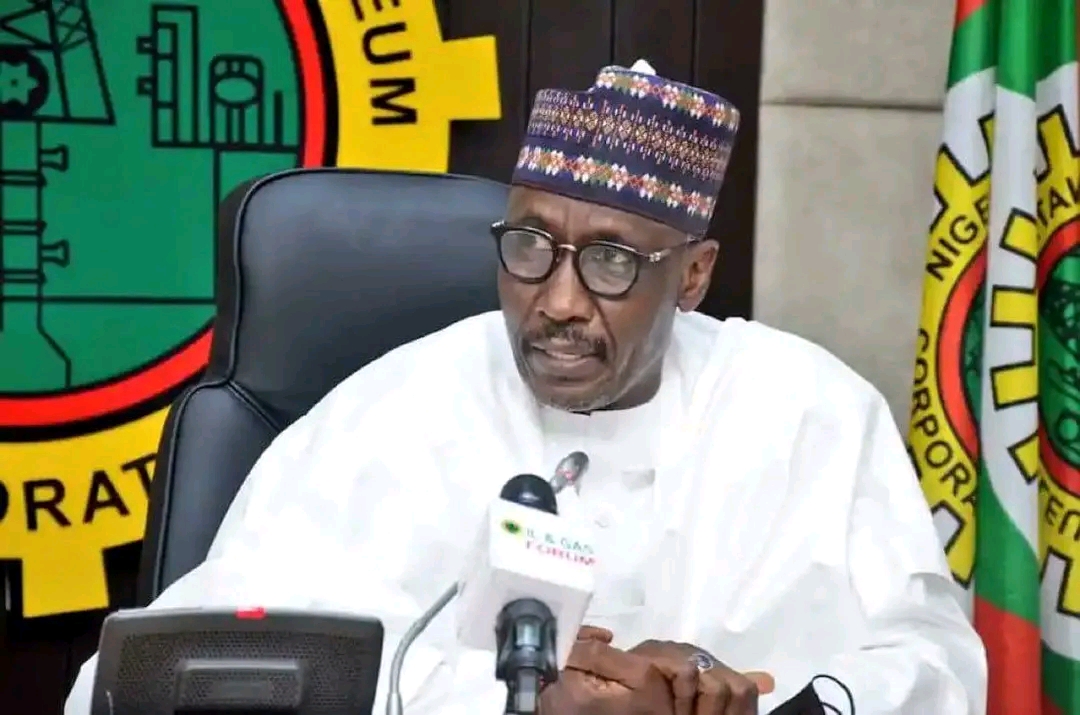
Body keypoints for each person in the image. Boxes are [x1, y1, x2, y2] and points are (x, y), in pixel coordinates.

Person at [65, 60, 987, 715]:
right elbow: (159, 676)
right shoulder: (399, 408)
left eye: (613, 262)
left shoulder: (809, 411)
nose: (558, 301)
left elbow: (934, 668)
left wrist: (739, 698)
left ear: (695, 275)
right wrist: (517, 700)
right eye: (530, 246)